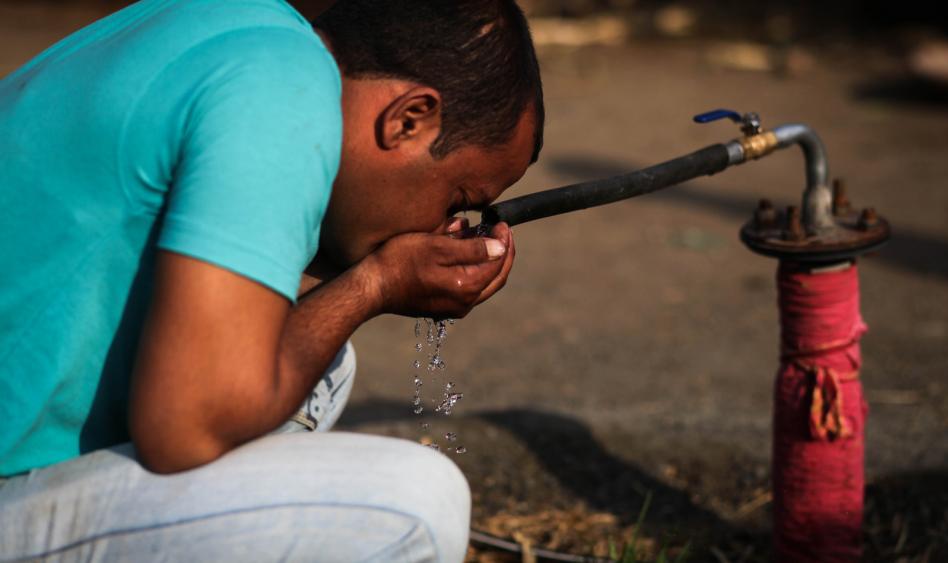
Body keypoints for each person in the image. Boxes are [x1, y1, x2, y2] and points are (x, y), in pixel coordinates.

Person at [0, 0, 544, 560]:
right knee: (415, 507)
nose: (445, 225)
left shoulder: (242, 29)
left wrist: (360, 278)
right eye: (458, 199)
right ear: (408, 119)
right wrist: (374, 285)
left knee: (321, 367)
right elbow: (186, 427)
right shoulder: (284, 96)